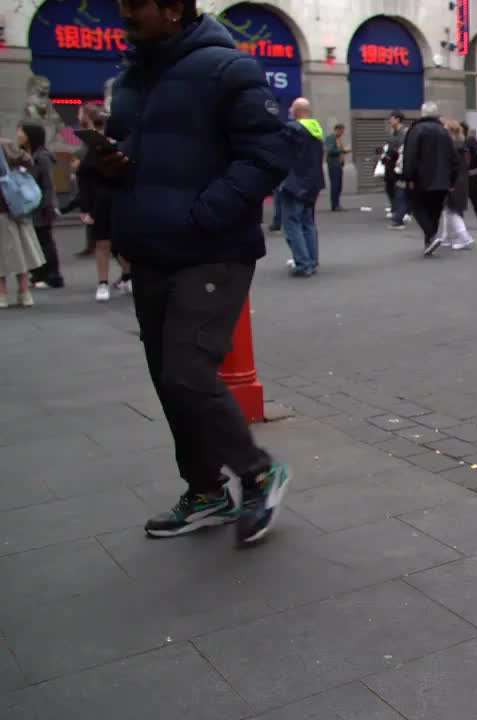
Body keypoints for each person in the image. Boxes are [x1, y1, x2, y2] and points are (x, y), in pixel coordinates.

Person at [105, 0, 291, 543]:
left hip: (212, 250)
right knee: (170, 382)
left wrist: (203, 215)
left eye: (136, 4)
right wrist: (107, 167)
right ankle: (205, 491)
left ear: (172, 9)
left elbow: (265, 156)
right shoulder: (133, 76)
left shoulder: (229, 68)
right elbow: (138, 155)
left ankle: (259, 474)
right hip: (150, 251)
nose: (124, 14)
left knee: (187, 373)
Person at [76, 103, 132, 301]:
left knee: (122, 242)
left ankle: (127, 276)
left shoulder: (120, 142)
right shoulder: (90, 147)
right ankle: (103, 282)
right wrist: (85, 207)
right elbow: (84, 177)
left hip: (120, 196)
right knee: (102, 242)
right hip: (100, 199)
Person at [401, 101, 459, 257]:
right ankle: (429, 242)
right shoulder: (444, 132)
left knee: (416, 205)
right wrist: (452, 180)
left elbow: (411, 156)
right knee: (434, 210)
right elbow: (454, 158)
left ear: (422, 114)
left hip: (422, 178)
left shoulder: (416, 130)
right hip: (442, 180)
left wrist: (408, 176)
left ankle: (431, 236)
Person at [279, 98, 324, 276]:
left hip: (295, 183)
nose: (289, 110)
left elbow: (279, 153)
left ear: (297, 111)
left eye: (291, 108)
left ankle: (303, 263)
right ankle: (312, 261)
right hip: (313, 182)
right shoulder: (316, 130)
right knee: (308, 222)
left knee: (292, 223)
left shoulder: (293, 129)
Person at [0, 140, 44, 308]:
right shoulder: (6, 144)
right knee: (22, 251)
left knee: (1, 254)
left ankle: (2, 295)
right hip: (17, 205)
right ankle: (25, 292)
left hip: (3, 209)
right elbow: (27, 160)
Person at [19, 122, 62, 289]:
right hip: (31, 205)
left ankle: (52, 275)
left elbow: (48, 184)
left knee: (45, 241)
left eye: (21, 132)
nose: (19, 135)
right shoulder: (27, 155)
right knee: (35, 241)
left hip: (42, 205)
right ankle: (38, 273)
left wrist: (49, 206)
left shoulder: (42, 157)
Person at [433, 119, 475, 251]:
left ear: (450, 131)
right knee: (450, 209)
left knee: (452, 211)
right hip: (460, 180)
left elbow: (449, 166)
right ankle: (449, 237)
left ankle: (465, 238)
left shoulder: (452, 147)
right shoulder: (460, 144)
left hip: (454, 181)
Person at [384, 110, 408, 229]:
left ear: (397, 119)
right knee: (390, 187)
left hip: (399, 164)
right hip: (390, 163)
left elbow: (401, 148)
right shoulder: (392, 131)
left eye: (391, 118)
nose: (390, 120)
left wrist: (392, 151)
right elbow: (389, 145)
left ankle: (401, 214)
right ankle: (397, 210)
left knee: (399, 189)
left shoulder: (404, 132)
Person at [324, 123, 347, 212]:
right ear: (337, 130)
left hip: (339, 165)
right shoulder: (331, 138)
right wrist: (343, 150)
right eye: (341, 130)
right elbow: (330, 150)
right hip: (333, 165)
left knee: (339, 185)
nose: (342, 133)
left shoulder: (338, 139)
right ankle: (334, 204)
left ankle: (337, 203)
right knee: (335, 185)